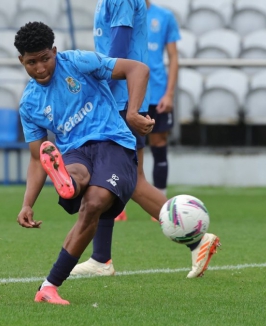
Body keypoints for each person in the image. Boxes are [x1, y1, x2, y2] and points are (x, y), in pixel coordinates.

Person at [71, 0, 220, 279]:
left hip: (118, 99)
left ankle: (195, 240)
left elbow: (119, 50)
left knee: (122, 180)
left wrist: (98, 87)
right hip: (122, 97)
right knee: (128, 181)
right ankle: (102, 258)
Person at [14, 22, 155, 305]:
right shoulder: (30, 103)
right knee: (76, 173)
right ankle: (68, 183)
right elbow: (35, 157)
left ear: (54, 51)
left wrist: (132, 113)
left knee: (94, 202)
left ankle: (50, 284)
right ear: (21, 61)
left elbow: (137, 69)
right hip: (75, 151)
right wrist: (27, 203)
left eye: (45, 59)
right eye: (31, 63)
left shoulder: (78, 62)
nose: (40, 68)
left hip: (113, 142)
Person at [146, 0, 180, 203]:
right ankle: (117, 207)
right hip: (129, 93)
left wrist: (169, 94)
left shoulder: (164, 16)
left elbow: (173, 57)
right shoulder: (122, 15)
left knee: (159, 144)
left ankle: (161, 201)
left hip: (157, 92)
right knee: (125, 148)